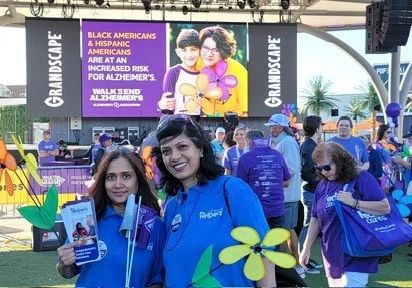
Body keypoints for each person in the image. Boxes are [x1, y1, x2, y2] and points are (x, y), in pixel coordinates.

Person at [152, 114, 275, 287]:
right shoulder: (172, 206)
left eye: (182, 146)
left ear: (200, 149)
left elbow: (264, 254)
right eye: (166, 151)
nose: (174, 156)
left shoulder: (232, 190)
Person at [57, 146, 165, 287]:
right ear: (103, 182)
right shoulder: (88, 218)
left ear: (138, 180)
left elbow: (156, 281)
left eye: (126, 176)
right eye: (111, 177)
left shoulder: (154, 226)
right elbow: (68, 272)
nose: (117, 184)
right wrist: (64, 263)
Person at [300, 142, 390, 287]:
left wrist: (354, 202)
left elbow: (385, 207)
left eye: (327, 167)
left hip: (359, 251)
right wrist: (306, 247)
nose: (324, 172)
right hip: (332, 252)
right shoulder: (322, 186)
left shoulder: (361, 177)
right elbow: (316, 218)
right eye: (319, 168)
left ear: (339, 161)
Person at [264, 113, 303, 278]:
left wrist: (273, 180)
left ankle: (294, 265)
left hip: (287, 195)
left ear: (279, 127)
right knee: (287, 229)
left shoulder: (287, 142)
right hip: (285, 194)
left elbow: (291, 168)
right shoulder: (284, 142)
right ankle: (294, 264)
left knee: (286, 230)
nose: (271, 129)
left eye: (272, 126)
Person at [237, 129, 290, 229]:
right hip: (277, 209)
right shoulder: (277, 155)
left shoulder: (245, 158)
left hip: (255, 210)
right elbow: (286, 182)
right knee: (274, 242)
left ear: (248, 141)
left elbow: (241, 187)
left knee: (257, 242)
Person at [198, 25, 248, 117]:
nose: (209, 54)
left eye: (216, 50)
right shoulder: (196, 64)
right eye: (205, 48)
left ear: (223, 51)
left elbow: (247, 112)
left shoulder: (238, 71)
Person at [299, 115, 324, 274]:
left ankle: (305, 258)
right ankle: (303, 260)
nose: (322, 128)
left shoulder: (312, 145)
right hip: (311, 192)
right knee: (308, 227)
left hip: (313, 191)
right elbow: (307, 173)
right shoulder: (309, 147)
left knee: (311, 226)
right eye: (321, 125)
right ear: (317, 128)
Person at [158, 29, 201, 115]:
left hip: (202, 123)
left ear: (200, 50)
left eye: (193, 49)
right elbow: (167, 106)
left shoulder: (206, 72)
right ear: (178, 52)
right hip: (178, 124)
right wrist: (161, 105)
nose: (189, 55)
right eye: (184, 50)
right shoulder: (173, 72)